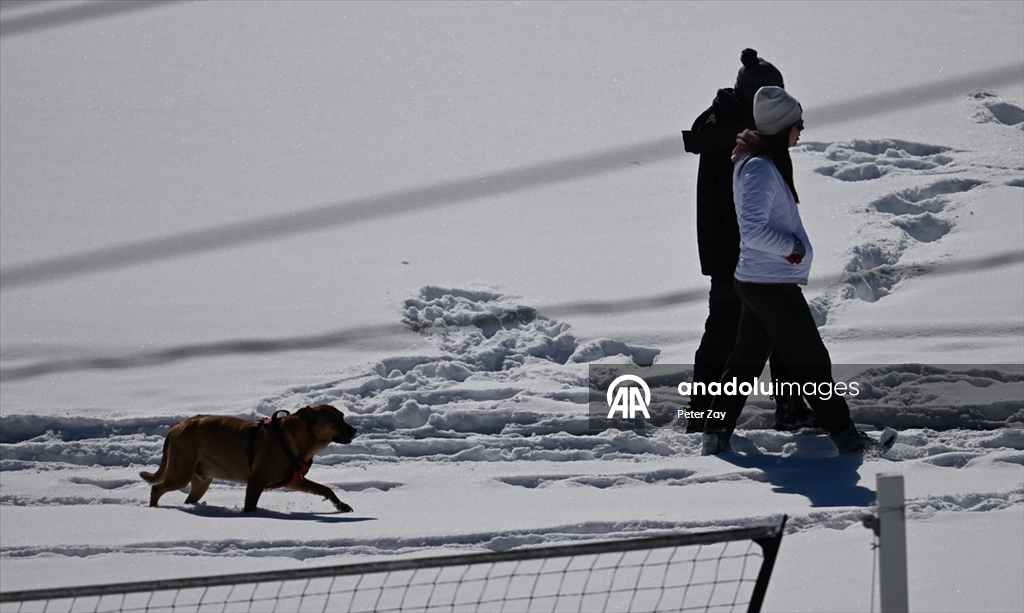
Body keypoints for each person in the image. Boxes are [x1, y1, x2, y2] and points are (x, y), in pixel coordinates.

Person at [701, 86, 882, 456]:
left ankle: (715, 432)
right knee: (812, 361)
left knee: (745, 361)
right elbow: (751, 230)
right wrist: (793, 249)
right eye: (799, 123)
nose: (802, 130)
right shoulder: (760, 170)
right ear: (783, 127)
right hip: (770, 283)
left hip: (761, 280)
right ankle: (847, 438)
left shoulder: (759, 161)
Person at [682, 49, 815, 434]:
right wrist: (773, 248)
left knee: (770, 329)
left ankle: (785, 408)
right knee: (730, 331)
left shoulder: (734, 129)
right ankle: (703, 416)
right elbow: (742, 213)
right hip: (739, 254)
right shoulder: (737, 140)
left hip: (743, 251)